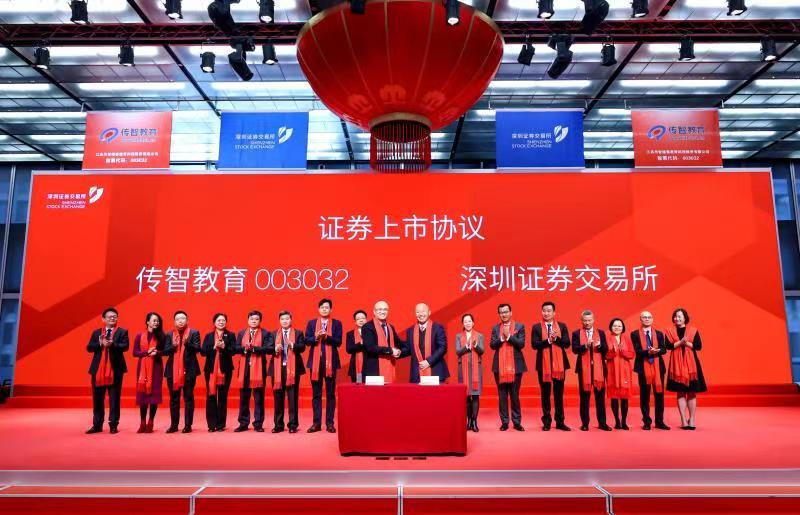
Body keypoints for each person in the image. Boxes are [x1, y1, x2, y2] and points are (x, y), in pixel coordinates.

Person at [86, 307, 129, 434]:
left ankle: (113, 425)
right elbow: (89, 348)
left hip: (116, 370)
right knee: (97, 398)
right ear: (103, 319)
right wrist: (100, 344)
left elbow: (125, 346)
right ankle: (97, 425)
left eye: (115, 316)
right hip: (98, 370)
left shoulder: (122, 332)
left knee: (114, 398)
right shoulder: (97, 333)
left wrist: (112, 344)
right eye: (110, 316)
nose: (112, 318)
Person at [531, 301, 571, 432]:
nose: (546, 313)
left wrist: (556, 339)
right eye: (544, 310)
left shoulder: (562, 326)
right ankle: (547, 421)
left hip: (559, 365)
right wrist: (548, 340)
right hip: (543, 366)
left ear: (554, 313)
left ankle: (560, 421)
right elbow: (534, 345)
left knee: (559, 394)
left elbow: (567, 343)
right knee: (545, 394)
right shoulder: (536, 327)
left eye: (549, 311)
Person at [305, 298, 343, 433]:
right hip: (315, 364)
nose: (324, 309)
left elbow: (338, 342)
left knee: (330, 394)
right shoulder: (311, 323)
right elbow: (306, 341)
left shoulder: (337, 323)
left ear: (330, 309)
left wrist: (326, 337)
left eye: (327, 307)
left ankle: (329, 423)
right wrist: (316, 337)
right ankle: (316, 423)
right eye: (322, 307)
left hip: (331, 363)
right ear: (318, 309)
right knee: (316, 394)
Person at [665, 308, 707, 430]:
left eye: (679, 316)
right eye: (675, 316)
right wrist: (680, 342)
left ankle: (692, 419)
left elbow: (698, 346)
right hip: (676, 366)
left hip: (692, 366)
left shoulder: (693, 330)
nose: (677, 318)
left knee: (692, 392)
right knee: (680, 392)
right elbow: (668, 346)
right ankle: (684, 420)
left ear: (685, 318)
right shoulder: (669, 331)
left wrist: (686, 342)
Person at [572, 310, 611, 431]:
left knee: (600, 398)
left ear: (593, 320)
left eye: (589, 320)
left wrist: (600, 346)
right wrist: (585, 346)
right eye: (585, 320)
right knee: (584, 398)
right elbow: (574, 349)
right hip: (584, 370)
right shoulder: (576, 333)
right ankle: (585, 423)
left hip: (599, 369)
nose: (587, 323)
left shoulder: (601, 333)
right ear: (581, 321)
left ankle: (602, 423)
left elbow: (606, 349)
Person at [489, 303, 526, 431]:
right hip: (499, 366)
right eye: (501, 312)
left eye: (506, 312)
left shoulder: (519, 326)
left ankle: (517, 422)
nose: (504, 314)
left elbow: (521, 344)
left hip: (516, 366)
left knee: (515, 395)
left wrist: (509, 336)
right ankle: (504, 422)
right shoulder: (495, 328)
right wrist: (501, 338)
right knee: (502, 395)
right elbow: (492, 345)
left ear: (511, 312)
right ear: (499, 314)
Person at [163, 311, 202, 434]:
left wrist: (187, 344)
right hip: (172, 371)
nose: (181, 321)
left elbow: (198, 349)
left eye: (183, 318)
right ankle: (174, 425)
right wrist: (173, 346)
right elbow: (165, 352)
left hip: (189, 370)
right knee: (174, 399)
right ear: (174, 322)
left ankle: (188, 425)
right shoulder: (169, 334)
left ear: (187, 320)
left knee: (188, 398)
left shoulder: (194, 333)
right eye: (178, 319)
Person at [233, 310, 271, 433]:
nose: (254, 321)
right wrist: (245, 349)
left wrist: (254, 348)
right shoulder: (241, 333)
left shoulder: (265, 333)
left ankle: (258, 424)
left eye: (256, 319)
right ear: (248, 320)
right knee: (244, 397)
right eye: (251, 319)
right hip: (244, 369)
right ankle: (243, 423)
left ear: (260, 321)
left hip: (259, 369)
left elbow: (268, 348)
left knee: (259, 398)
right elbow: (235, 348)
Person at [631, 311, 670, 430]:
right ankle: (646, 422)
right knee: (645, 395)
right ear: (641, 319)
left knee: (659, 395)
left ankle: (659, 421)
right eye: (644, 317)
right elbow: (637, 351)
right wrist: (648, 352)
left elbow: (664, 349)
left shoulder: (659, 334)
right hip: (643, 367)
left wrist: (657, 350)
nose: (647, 319)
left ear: (652, 319)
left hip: (658, 367)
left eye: (649, 317)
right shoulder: (635, 334)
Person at [270, 311, 306, 433]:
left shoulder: (298, 333)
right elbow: (268, 348)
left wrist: (293, 345)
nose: (285, 321)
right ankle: (278, 425)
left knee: (292, 398)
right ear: (279, 321)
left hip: (293, 369)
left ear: (291, 320)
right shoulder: (274, 334)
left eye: (287, 319)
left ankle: (292, 425)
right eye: (282, 319)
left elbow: (303, 347)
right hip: (277, 368)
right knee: (278, 397)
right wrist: (275, 349)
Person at [201, 313, 236, 432]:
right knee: (211, 396)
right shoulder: (209, 336)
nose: (221, 322)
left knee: (222, 396)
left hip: (225, 370)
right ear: (214, 322)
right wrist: (214, 346)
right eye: (219, 320)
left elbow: (234, 351)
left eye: (223, 320)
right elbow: (203, 352)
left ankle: (220, 424)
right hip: (211, 370)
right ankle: (211, 425)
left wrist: (224, 346)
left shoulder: (230, 335)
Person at [133, 312, 165, 434]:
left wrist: (157, 353)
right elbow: (135, 352)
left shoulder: (161, 336)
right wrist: (146, 352)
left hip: (156, 366)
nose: (156, 322)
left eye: (158, 321)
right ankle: (142, 422)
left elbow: (165, 351)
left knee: (154, 395)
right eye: (154, 320)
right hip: (143, 368)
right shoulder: (139, 335)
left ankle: (151, 422)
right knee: (143, 395)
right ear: (147, 322)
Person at [402, 303, 449, 383]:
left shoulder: (437, 328)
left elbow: (443, 348)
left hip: (435, 372)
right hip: (417, 374)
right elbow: (408, 349)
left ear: (429, 312)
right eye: (418, 312)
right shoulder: (410, 331)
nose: (420, 314)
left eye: (423, 311)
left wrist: (428, 362)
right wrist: (396, 352)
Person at [361, 300, 405, 382]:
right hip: (374, 370)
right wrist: (391, 350)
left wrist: (413, 344)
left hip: (389, 367)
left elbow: (398, 343)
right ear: (374, 312)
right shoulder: (367, 327)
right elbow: (370, 348)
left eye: (385, 309)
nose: (382, 312)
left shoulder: (390, 327)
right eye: (379, 309)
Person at [455, 313, 484, 432]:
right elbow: (458, 351)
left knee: (475, 396)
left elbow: (482, 351)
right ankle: (468, 421)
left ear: (473, 323)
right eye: (465, 321)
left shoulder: (479, 336)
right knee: (466, 396)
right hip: (463, 369)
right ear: (463, 323)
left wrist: (476, 346)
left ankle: (474, 421)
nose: (467, 323)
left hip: (476, 369)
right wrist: (466, 347)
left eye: (469, 321)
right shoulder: (458, 336)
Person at [606, 318, 634, 430]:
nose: (617, 328)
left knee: (624, 397)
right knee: (614, 397)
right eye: (615, 326)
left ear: (622, 328)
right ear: (611, 327)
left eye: (619, 326)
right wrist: (613, 351)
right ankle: (617, 421)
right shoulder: (607, 338)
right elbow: (605, 355)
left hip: (625, 370)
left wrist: (623, 352)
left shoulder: (627, 338)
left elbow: (632, 354)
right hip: (612, 370)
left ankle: (624, 422)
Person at [345, 310, 369, 383]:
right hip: (356, 366)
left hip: (369, 365)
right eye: (358, 319)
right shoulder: (350, 334)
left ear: (366, 320)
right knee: (358, 385)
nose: (361, 320)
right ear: (355, 322)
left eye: (363, 318)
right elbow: (349, 349)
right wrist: (360, 344)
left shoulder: (372, 333)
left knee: (369, 387)